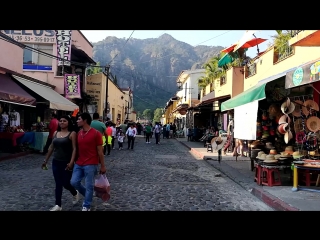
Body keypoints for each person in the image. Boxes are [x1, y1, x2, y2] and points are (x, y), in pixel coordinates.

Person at [70, 112, 106, 211]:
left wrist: (102, 166)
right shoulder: (79, 133)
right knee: (73, 182)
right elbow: (76, 149)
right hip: (79, 163)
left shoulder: (96, 134)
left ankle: (86, 205)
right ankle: (88, 194)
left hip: (91, 163)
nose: (77, 121)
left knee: (89, 185)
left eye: (79, 119)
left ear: (85, 120)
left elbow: (100, 151)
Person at [42, 115, 79, 211]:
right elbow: (51, 147)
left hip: (66, 162)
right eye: (61, 121)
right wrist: (45, 160)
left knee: (66, 183)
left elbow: (74, 148)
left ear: (68, 123)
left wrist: (71, 162)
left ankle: (75, 192)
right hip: (56, 162)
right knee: (58, 183)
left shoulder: (72, 133)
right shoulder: (55, 133)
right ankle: (58, 205)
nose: (62, 122)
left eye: (64, 121)